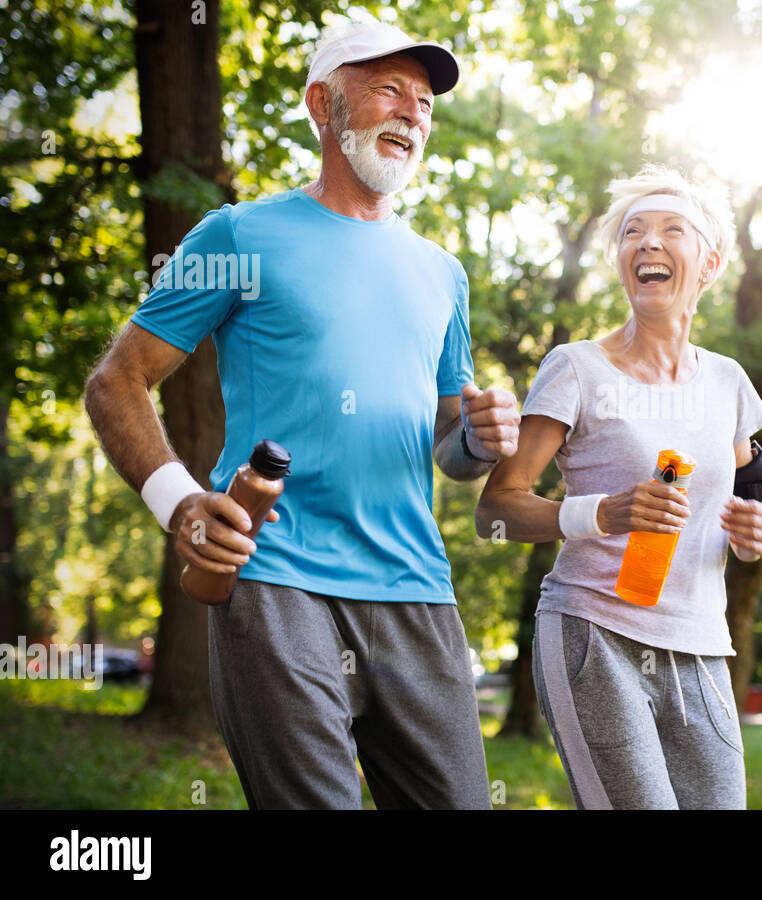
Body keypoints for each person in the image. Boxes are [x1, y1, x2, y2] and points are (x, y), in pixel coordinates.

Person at [83, 19, 521, 809]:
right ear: (324, 104)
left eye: (423, 103)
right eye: (388, 89)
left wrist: (479, 442)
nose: (412, 114)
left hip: (416, 589)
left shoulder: (442, 274)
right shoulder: (240, 234)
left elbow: (449, 447)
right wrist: (181, 506)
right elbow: (117, 381)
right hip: (279, 580)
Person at [475, 165, 762, 809]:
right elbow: (495, 510)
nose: (648, 243)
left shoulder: (728, 383)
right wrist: (603, 513)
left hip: (700, 647)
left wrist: (758, 533)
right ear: (621, 263)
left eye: (672, 230)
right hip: (595, 632)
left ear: (709, 263)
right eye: (632, 233)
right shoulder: (576, 368)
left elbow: (752, 488)